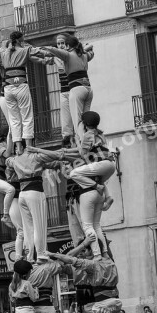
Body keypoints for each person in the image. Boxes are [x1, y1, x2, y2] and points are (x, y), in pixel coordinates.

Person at [0, 32, 48, 154]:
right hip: (21, 85)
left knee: (14, 120)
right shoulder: (24, 50)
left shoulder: (2, 53)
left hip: (8, 89)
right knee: (27, 117)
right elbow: (38, 52)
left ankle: (19, 148)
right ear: (20, 40)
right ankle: (29, 146)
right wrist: (51, 54)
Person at [69, 111, 116, 258]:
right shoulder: (100, 134)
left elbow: (83, 153)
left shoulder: (88, 135)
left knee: (74, 173)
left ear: (85, 124)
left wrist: (78, 140)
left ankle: (97, 255)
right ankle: (106, 253)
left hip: (102, 164)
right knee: (97, 225)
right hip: (110, 165)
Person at [6, 147, 64, 262]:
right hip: (35, 192)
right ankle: (41, 254)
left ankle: (30, 256)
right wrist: (37, 150)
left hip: (22, 195)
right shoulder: (36, 156)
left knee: (28, 229)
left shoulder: (15, 159)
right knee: (39, 226)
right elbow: (57, 155)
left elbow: (7, 161)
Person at [41, 35, 94, 144]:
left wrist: (43, 47)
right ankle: (91, 141)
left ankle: (83, 145)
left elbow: (54, 50)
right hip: (88, 89)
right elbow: (91, 52)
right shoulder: (83, 55)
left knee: (77, 121)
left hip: (77, 89)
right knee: (86, 119)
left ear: (68, 45)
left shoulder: (68, 55)